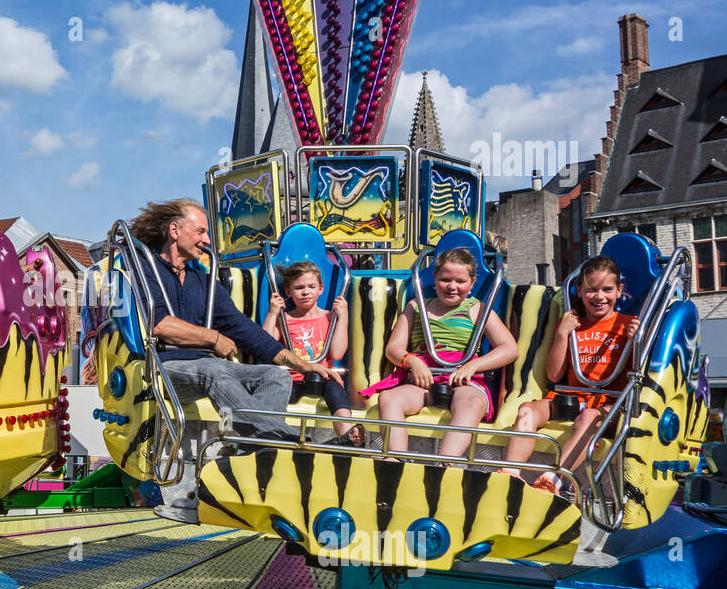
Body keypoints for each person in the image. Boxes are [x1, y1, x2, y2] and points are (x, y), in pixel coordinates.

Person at [128, 199, 340, 523]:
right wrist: (212, 338)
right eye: (200, 231)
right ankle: (289, 442)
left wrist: (300, 364)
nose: (207, 240)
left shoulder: (203, 282)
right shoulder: (147, 271)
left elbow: (245, 330)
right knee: (216, 371)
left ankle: (231, 476)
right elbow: (159, 325)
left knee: (275, 376)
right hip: (166, 367)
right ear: (174, 230)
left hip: (208, 367)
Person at [363, 247, 518, 461]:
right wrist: (413, 361)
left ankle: (445, 464)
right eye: (445, 279)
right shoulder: (416, 307)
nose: (452, 287)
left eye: (460, 281)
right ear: (435, 278)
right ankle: (395, 459)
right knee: (389, 399)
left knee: (471, 404)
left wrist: (472, 366)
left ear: (472, 283)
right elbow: (394, 348)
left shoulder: (478, 310)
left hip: (463, 379)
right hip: (424, 378)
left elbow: (509, 348)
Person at [502, 255, 638, 494]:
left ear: (619, 291)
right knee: (527, 411)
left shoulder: (628, 324)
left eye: (607, 290)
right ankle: (511, 473)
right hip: (573, 398)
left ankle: (555, 479)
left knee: (588, 419)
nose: (599, 297)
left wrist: (638, 341)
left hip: (609, 404)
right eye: (591, 290)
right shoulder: (572, 325)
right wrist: (562, 335)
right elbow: (554, 375)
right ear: (580, 291)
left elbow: (640, 375)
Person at [262, 261, 362, 445]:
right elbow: (264, 346)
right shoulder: (285, 320)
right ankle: (273, 438)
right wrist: (272, 313)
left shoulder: (329, 317)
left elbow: (337, 353)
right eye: (299, 287)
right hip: (291, 379)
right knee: (276, 393)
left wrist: (343, 316)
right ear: (288, 291)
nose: (306, 292)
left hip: (323, 376)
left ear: (321, 289)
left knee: (336, 391)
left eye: (311, 286)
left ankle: (348, 436)